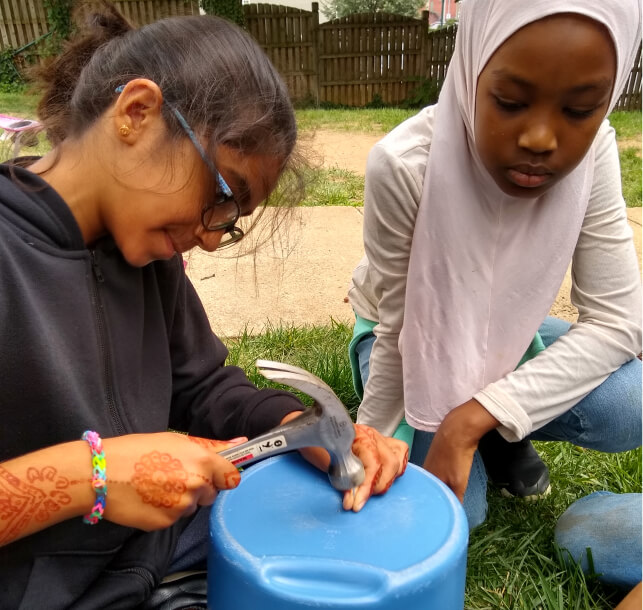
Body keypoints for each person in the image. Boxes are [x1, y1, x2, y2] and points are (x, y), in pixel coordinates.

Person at [0, 4, 408, 607]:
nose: (214, 236)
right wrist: (94, 478)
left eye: (233, 221)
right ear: (137, 114)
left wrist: (300, 429)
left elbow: (201, 387)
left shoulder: (146, 257)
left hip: (154, 554)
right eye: (223, 195)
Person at [348, 0, 642, 532]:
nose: (539, 139)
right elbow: (398, 330)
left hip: (511, 340)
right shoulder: (402, 165)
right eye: (509, 101)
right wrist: (370, 442)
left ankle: (501, 427)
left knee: (631, 403)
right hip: (416, 340)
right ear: (470, 72)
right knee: (454, 515)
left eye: (579, 111)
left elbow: (621, 323)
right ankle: (501, 433)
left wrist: (471, 419)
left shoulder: (596, 153)